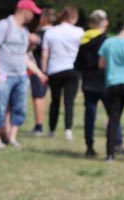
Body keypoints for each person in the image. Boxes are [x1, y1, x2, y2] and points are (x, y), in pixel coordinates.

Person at [0, 0, 48, 149]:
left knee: (19, 107)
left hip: (21, 76)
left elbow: (24, 56)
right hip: (3, 75)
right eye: (32, 12)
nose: (34, 16)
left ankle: (12, 137)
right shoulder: (4, 25)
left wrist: (39, 73)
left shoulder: (24, 31)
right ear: (24, 10)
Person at [75, 9, 124, 158]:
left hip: (89, 83)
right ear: (106, 23)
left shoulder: (84, 41)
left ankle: (89, 146)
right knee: (114, 115)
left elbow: (77, 64)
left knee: (89, 115)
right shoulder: (108, 41)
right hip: (105, 82)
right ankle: (118, 143)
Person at [41, 6, 84, 141]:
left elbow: (45, 53)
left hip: (54, 69)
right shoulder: (79, 32)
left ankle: (52, 129)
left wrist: (44, 71)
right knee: (69, 101)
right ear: (73, 18)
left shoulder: (51, 32)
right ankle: (68, 130)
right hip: (72, 69)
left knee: (55, 101)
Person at [98, 19, 124, 163]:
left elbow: (101, 64)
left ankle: (110, 154)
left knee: (113, 119)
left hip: (113, 83)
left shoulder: (108, 42)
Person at [28, 7, 55, 136]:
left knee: (38, 97)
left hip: (39, 70)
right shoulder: (56, 33)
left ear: (44, 19)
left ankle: (39, 126)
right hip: (55, 69)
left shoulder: (40, 35)